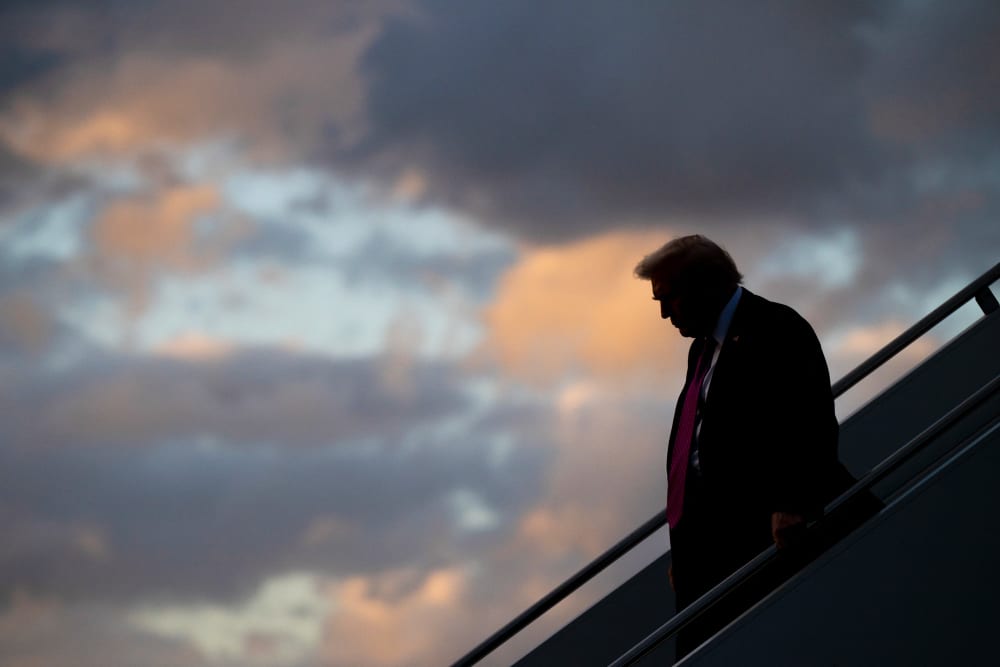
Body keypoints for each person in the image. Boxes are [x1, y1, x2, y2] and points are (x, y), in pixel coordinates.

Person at [635, 235, 843, 660]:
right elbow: (695, 450)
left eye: (668, 297)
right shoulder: (702, 350)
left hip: (758, 537)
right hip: (707, 548)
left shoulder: (774, 327)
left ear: (704, 284)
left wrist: (794, 501)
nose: (661, 313)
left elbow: (810, 417)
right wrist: (685, 544)